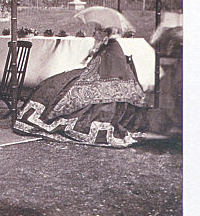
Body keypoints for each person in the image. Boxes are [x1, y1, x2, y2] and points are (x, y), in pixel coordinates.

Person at [14, 26, 153, 147]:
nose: (94, 33)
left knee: (66, 87)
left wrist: (89, 72)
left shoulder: (113, 49)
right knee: (56, 82)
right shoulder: (103, 46)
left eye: (98, 31)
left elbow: (108, 73)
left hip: (103, 84)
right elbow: (93, 66)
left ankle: (51, 115)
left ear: (105, 33)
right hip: (91, 76)